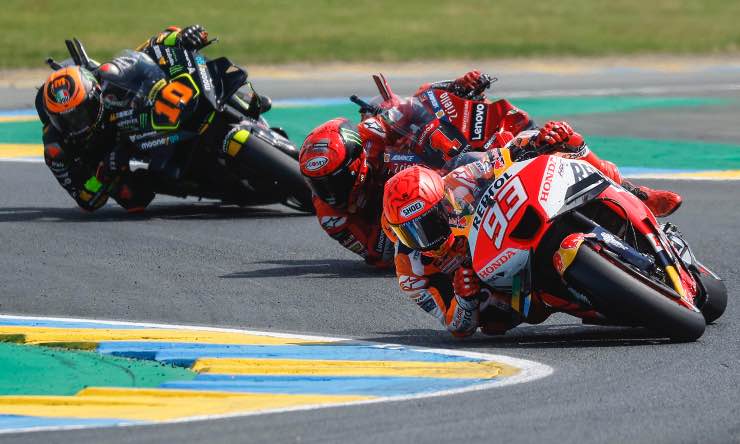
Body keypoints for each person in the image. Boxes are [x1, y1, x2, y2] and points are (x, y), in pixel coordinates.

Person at [300, 70, 680, 267]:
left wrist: (455, 89)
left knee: (545, 139)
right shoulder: (331, 215)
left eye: (335, 180)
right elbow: (379, 253)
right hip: (412, 221)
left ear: (356, 161)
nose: (329, 193)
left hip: (439, 178)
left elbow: (410, 107)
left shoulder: (370, 137)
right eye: (319, 185)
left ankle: (635, 193)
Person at [37, 25, 211, 212]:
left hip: (142, 124)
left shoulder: (107, 79)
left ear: (94, 96)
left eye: (80, 114)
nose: (75, 124)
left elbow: (146, 51)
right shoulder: (56, 150)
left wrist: (179, 37)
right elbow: (86, 200)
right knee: (133, 198)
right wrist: (103, 176)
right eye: (64, 121)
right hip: (108, 158)